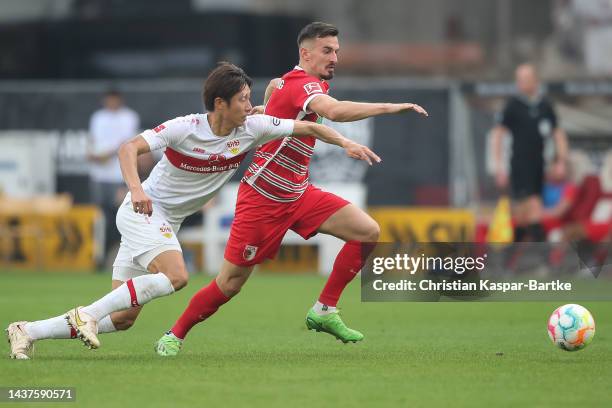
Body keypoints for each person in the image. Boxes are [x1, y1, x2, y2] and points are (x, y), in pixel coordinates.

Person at [6, 62, 378, 359]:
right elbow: (127, 149)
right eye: (243, 100)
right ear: (220, 104)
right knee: (177, 276)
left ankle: (28, 330)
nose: (251, 107)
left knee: (121, 319)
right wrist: (136, 188)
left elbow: (307, 128)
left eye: (251, 99)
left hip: (167, 220)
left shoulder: (253, 127)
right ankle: (84, 314)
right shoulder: (185, 128)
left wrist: (344, 141)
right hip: (143, 211)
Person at [155, 22, 428, 356]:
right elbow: (335, 112)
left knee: (367, 232)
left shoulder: (292, 83)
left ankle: (324, 310)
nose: (335, 58)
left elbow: (276, 101)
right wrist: (391, 107)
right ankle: (174, 334)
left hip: (298, 193)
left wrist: (265, 105)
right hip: (263, 198)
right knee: (230, 283)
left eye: (337, 51)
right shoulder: (304, 85)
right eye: (327, 51)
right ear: (306, 53)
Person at [491, 63, 568, 242]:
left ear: (535, 80)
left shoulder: (545, 105)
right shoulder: (513, 105)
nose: (522, 83)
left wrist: (561, 161)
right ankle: (540, 257)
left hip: (538, 164)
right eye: (519, 80)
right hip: (519, 164)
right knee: (532, 208)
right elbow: (498, 135)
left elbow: (558, 133)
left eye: (526, 79)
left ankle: (516, 258)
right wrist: (498, 167)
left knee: (525, 214)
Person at [88, 89, 140, 264]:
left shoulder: (129, 117)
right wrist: (92, 154)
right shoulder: (97, 117)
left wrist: (105, 155)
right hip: (99, 176)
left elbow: (126, 145)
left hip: (119, 175)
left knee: (121, 216)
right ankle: (100, 256)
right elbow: (92, 141)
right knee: (101, 218)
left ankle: (119, 256)